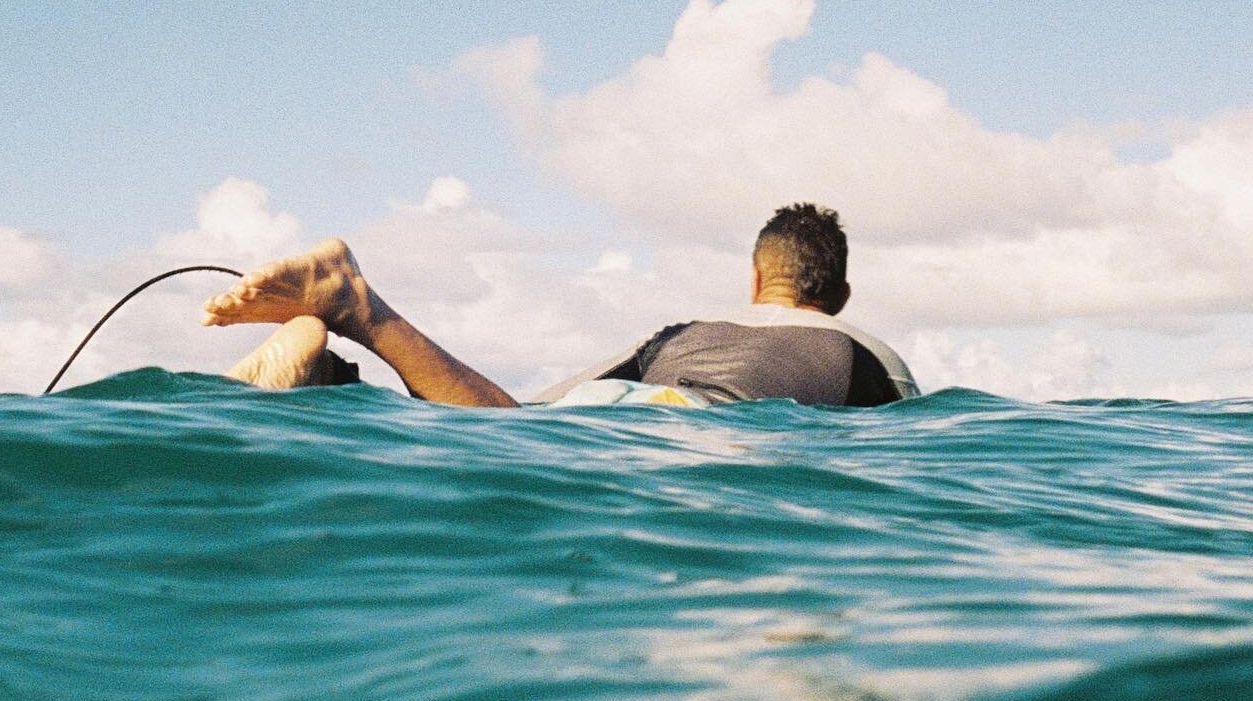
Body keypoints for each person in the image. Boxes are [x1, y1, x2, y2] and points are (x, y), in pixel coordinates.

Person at [207, 203, 917, 408]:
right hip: (705, 439)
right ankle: (346, 322)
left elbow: (522, 416)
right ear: (841, 295)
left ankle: (340, 357)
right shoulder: (869, 354)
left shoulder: (686, 330)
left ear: (756, 281)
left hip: (630, 407)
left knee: (503, 435)